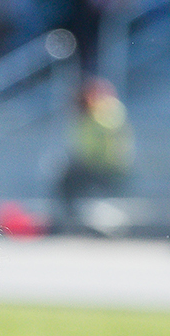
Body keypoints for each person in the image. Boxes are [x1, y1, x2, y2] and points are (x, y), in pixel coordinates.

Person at [54, 75, 133, 231]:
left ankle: (79, 214)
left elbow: (111, 141)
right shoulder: (86, 117)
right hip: (92, 163)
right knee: (63, 177)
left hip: (105, 166)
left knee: (70, 179)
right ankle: (73, 214)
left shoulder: (106, 112)